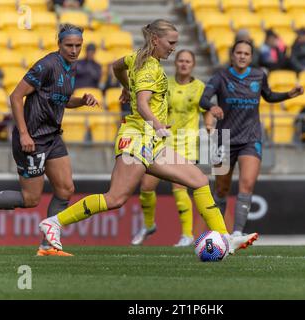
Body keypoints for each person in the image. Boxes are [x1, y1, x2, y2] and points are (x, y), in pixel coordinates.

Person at [36, 19, 259, 254]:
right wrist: (157, 123)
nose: (173, 47)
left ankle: (225, 236)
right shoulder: (149, 68)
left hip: (151, 142)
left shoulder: (137, 57)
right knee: (115, 198)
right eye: (171, 42)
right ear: (155, 40)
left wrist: (126, 88)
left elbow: (115, 66)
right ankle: (55, 222)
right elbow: (142, 103)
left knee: (200, 181)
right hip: (137, 138)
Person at [0, 24, 100, 257]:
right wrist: (23, 133)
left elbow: (61, 99)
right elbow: (15, 95)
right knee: (31, 199)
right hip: (32, 138)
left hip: (52, 136)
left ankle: (48, 245)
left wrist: (81, 101)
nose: (74, 50)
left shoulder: (71, 67)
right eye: (69, 45)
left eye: (78, 46)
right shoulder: (46, 65)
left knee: (65, 189)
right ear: (59, 44)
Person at [200, 40, 304, 237]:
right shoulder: (220, 76)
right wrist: (211, 107)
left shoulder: (258, 75)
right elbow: (203, 99)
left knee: (247, 184)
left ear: (250, 57)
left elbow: (269, 96)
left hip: (251, 137)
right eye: (238, 52)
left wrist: (288, 95)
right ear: (232, 55)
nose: (241, 56)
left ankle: (237, 233)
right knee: (221, 189)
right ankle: (218, 233)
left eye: (246, 53)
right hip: (224, 138)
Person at [131, 49, 214, 247]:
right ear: (176, 63)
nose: (184, 64)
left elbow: (206, 110)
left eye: (188, 61)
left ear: (193, 65)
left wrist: (210, 126)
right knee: (146, 187)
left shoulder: (200, 87)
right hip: (163, 140)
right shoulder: (164, 84)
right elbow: (149, 104)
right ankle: (149, 225)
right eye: (181, 61)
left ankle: (187, 234)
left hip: (187, 143)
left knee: (179, 187)